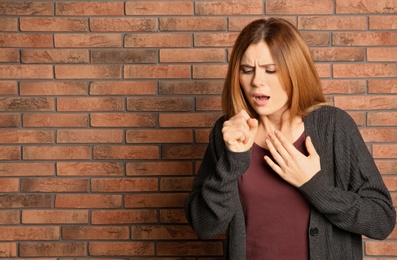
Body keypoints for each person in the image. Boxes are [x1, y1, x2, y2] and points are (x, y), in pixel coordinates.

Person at [184, 17, 396, 260]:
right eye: (247, 70)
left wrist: (313, 184)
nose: (256, 81)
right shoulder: (228, 132)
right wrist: (232, 162)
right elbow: (204, 226)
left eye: (270, 70)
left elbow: (381, 220)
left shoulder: (333, 126)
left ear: (295, 71)